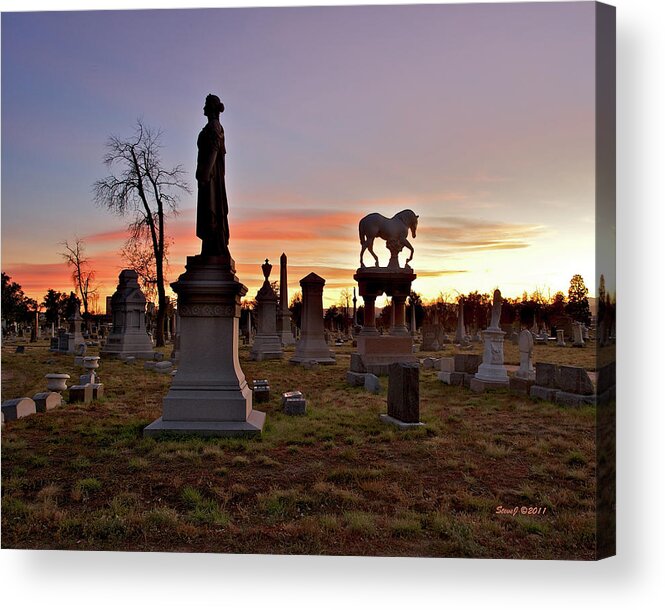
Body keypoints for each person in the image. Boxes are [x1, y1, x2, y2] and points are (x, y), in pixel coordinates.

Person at [196, 93, 230, 256]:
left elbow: (214, 151)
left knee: (211, 208)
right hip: (208, 175)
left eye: (206, 104)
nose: (203, 107)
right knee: (207, 211)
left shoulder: (214, 126)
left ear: (211, 108)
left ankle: (213, 248)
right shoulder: (212, 126)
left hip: (211, 177)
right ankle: (209, 248)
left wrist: (205, 173)